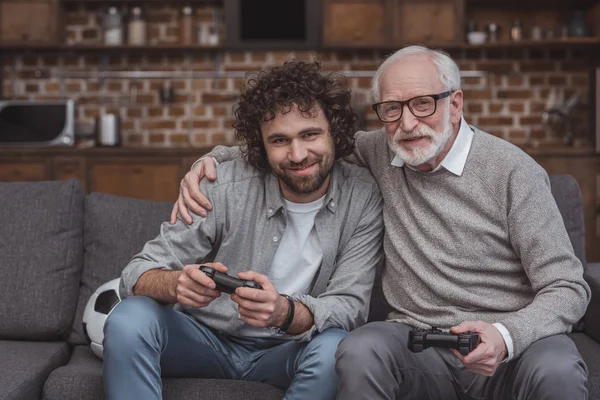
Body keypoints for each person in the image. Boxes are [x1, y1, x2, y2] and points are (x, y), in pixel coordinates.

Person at [171, 45, 591, 400]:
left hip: (511, 346)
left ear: (456, 103)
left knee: (559, 367)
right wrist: (212, 160)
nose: (408, 124)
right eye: (392, 109)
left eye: (423, 104)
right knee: (358, 349)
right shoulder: (380, 151)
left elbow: (567, 287)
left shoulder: (513, 172)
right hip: (416, 341)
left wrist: (506, 334)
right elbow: (294, 144)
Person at [102, 59, 384, 400]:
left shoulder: (364, 195)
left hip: (290, 350)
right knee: (129, 317)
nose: (297, 154)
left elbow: (349, 305)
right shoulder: (222, 185)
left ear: (335, 134)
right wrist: (177, 284)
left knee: (338, 348)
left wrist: (284, 312)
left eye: (310, 135)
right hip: (203, 340)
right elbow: (136, 273)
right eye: (279, 140)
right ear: (261, 148)